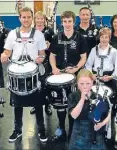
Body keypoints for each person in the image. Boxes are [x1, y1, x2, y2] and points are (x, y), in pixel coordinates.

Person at [0, 7, 48, 143]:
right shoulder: (12, 34)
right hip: (17, 74)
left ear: (31, 18)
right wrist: (4, 55)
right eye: (23, 17)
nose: (26, 19)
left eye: (28, 17)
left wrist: (41, 58)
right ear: (19, 18)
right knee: (17, 105)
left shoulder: (39, 34)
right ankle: (17, 130)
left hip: (34, 72)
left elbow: (42, 53)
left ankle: (41, 129)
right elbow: (7, 52)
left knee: (38, 104)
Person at [48, 10, 89, 142]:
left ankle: (73, 131)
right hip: (59, 75)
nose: (67, 24)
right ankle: (61, 131)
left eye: (69, 21)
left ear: (74, 21)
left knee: (73, 104)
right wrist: (54, 67)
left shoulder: (80, 38)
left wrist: (76, 68)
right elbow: (52, 56)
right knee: (60, 105)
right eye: (65, 21)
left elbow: (84, 57)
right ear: (62, 22)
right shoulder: (56, 37)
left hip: (75, 76)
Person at [84, 27, 117, 145]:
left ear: (109, 38)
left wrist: (111, 76)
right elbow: (88, 65)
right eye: (102, 37)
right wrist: (91, 75)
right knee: (94, 104)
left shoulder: (113, 51)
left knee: (108, 105)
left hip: (108, 79)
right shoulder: (94, 50)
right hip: (95, 78)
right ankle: (93, 129)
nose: (104, 39)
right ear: (99, 37)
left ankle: (107, 130)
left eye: (106, 37)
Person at [68, 69, 111, 150]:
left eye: (88, 83)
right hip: (78, 133)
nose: (85, 86)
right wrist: (82, 99)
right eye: (81, 84)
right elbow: (74, 115)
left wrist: (101, 124)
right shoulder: (73, 96)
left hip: (95, 134)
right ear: (77, 83)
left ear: (92, 83)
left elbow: (108, 114)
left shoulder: (97, 97)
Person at [29, 11, 54, 116]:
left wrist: (50, 45)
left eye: (41, 19)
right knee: (35, 84)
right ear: (34, 20)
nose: (39, 21)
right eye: (37, 19)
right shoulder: (31, 31)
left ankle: (47, 105)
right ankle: (36, 105)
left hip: (46, 62)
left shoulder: (50, 32)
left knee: (46, 84)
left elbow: (55, 47)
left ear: (45, 20)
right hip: (33, 62)